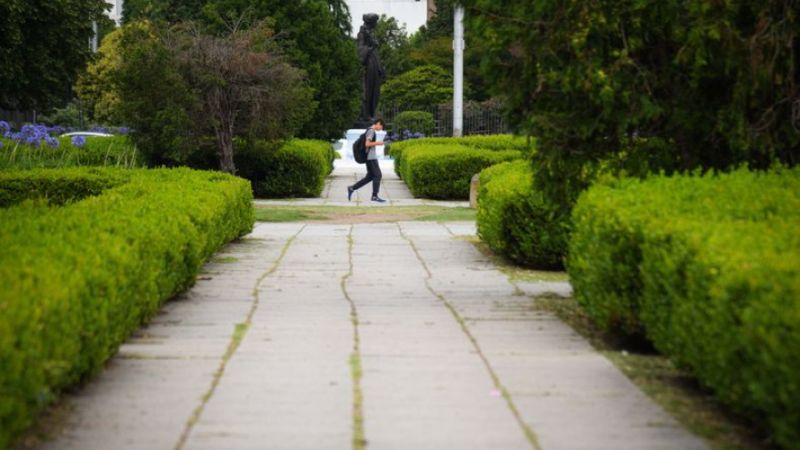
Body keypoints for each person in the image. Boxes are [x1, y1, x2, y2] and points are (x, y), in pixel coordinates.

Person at [348, 118, 386, 203]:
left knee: (369, 177)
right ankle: (374, 196)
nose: (381, 129)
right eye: (381, 127)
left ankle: (352, 188)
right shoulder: (371, 131)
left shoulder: (369, 130)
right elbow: (367, 144)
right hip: (371, 157)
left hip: (370, 157)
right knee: (378, 175)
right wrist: (379, 143)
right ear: (378, 123)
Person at [357, 13, 383, 122]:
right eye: (375, 22)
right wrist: (371, 47)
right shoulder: (362, 33)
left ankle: (371, 113)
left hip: (374, 64)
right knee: (367, 90)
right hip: (368, 64)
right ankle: (365, 114)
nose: (376, 24)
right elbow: (360, 49)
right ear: (371, 22)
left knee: (375, 90)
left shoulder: (371, 34)